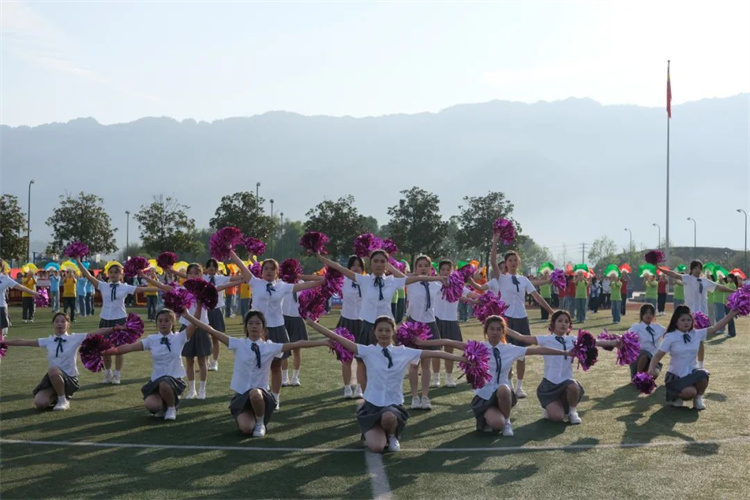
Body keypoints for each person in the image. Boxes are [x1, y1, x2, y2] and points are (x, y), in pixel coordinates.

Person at [306, 316, 467, 453]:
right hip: (372, 406)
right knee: (376, 447)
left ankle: (392, 435)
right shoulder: (367, 351)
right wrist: (312, 323)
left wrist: (463, 359)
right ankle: (373, 430)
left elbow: (437, 353)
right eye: (380, 330)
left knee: (388, 417)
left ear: (393, 332)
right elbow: (337, 337)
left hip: (393, 405)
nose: (384, 333)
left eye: (387, 330)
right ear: (374, 332)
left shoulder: (403, 352)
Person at [183, 309, 330, 437]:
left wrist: (324, 342)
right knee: (246, 429)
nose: (254, 326)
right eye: (251, 323)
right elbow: (211, 330)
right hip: (242, 395)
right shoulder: (238, 344)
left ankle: (260, 423)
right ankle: (250, 416)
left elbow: (298, 344)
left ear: (263, 328)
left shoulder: (270, 347)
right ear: (246, 327)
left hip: (260, 395)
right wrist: (187, 316)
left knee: (255, 393)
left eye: (258, 323)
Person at [416, 315, 569, 436]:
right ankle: (489, 418)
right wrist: (422, 343)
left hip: (504, 394)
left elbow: (538, 350)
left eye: (498, 329)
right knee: (497, 424)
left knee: (503, 389)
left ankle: (507, 421)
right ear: (486, 331)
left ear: (503, 332)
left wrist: (565, 353)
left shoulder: (510, 349)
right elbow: (448, 342)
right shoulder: (478, 347)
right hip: (485, 396)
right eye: (492, 329)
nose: (495, 332)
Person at [233, 252, 324, 409]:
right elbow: (240, 264)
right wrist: (229, 250)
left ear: (277, 272)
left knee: (276, 366)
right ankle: (252, 395)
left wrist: (322, 279)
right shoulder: (255, 282)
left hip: (277, 328)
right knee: (255, 365)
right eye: (266, 268)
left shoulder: (283, 286)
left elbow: (312, 283)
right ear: (261, 272)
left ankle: (275, 398)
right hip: (257, 330)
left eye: (272, 269)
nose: (269, 271)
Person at [316, 250, 407, 394]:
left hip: (386, 327)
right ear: (370, 264)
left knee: (385, 361)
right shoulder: (364, 280)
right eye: (375, 261)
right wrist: (320, 256)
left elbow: (406, 279)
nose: (379, 264)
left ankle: (383, 392)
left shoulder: (391, 281)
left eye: (382, 261)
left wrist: (391, 268)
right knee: (361, 360)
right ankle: (361, 390)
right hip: (366, 324)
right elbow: (339, 267)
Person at [505, 310, 620, 424]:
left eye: (566, 322)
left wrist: (615, 342)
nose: (563, 324)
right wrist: (503, 326)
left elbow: (595, 342)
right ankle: (552, 407)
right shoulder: (546, 339)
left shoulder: (572, 340)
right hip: (549, 385)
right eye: (560, 321)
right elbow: (521, 337)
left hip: (567, 383)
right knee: (557, 417)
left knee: (574, 386)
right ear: (553, 324)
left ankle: (572, 412)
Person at [1, 312, 124, 410]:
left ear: (68, 324)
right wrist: (4, 342)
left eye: (63, 321)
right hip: (53, 377)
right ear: (53, 324)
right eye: (57, 321)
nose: (60, 324)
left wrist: (114, 328)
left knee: (53, 369)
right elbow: (23, 342)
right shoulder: (48, 340)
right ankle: (58, 395)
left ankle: (63, 400)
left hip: (69, 378)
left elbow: (96, 332)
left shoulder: (74, 338)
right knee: (40, 403)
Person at [482, 235, 554, 399]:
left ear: (518, 262)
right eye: (510, 260)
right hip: (506, 319)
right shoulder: (501, 278)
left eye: (515, 260)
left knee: (521, 354)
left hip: (522, 318)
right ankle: (508, 384)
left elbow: (537, 297)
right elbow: (493, 261)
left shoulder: (524, 280)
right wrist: (495, 240)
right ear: (506, 263)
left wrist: (552, 312)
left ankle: (519, 387)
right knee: (506, 353)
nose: (513, 262)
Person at [101, 308, 197, 420]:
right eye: (160, 321)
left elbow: (195, 324)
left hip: (174, 380)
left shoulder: (179, 337)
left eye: (166, 321)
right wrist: (106, 351)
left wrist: (191, 312)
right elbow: (130, 347)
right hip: (156, 380)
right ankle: (165, 403)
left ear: (172, 322)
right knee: (152, 405)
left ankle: (172, 408)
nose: (163, 323)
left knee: (164, 383)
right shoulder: (152, 339)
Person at [76, 258, 160, 385]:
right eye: (111, 272)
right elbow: (88, 275)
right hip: (105, 320)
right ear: (108, 274)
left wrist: (163, 288)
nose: (113, 274)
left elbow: (143, 289)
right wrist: (78, 261)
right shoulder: (103, 286)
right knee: (104, 349)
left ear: (121, 274)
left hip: (120, 320)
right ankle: (107, 372)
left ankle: (117, 374)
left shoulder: (125, 287)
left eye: (116, 272)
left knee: (119, 350)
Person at [648, 305, 739, 410]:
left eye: (689, 320)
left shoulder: (696, 334)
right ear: (676, 322)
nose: (686, 322)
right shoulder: (670, 336)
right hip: (675, 376)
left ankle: (698, 399)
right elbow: (657, 356)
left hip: (691, 373)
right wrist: (651, 369)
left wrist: (730, 315)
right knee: (690, 392)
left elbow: (715, 328)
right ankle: (675, 396)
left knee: (703, 375)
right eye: (683, 320)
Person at [403, 255, 450, 410]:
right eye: (420, 265)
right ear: (415, 268)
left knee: (426, 364)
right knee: (414, 364)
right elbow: (397, 274)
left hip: (429, 324)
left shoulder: (436, 284)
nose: (423, 268)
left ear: (431, 268)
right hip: (413, 324)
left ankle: (425, 396)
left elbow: (455, 289)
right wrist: (413, 275)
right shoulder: (411, 282)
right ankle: (414, 397)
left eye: (426, 266)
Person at [434, 259, 478, 388]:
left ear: (452, 271)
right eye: (443, 269)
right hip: (436, 319)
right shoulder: (435, 283)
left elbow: (470, 294)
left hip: (451, 319)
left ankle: (449, 377)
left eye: (448, 269)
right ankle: (436, 377)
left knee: (449, 350)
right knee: (436, 351)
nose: (445, 272)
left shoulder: (458, 284)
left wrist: (485, 297)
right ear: (439, 271)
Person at [280, 272, 325, 388]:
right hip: (283, 319)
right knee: (283, 350)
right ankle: (284, 377)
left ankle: (295, 377)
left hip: (297, 319)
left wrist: (301, 277)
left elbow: (321, 279)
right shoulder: (281, 283)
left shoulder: (302, 284)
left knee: (297, 350)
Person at [658, 261, 735, 315]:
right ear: (691, 269)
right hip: (690, 313)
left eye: (699, 268)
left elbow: (719, 287)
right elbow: (673, 274)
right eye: (695, 268)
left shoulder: (705, 281)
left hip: (703, 313)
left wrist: (734, 291)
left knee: (702, 333)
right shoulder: (687, 278)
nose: (698, 270)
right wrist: (660, 268)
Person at [337, 255, 365, 399]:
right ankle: (347, 387)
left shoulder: (367, 281)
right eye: (353, 265)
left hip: (362, 322)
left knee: (361, 359)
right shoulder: (343, 280)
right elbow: (322, 280)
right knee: (346, 359)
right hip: (346, 321)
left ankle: (359, 387)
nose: (356, 268)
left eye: (359, 265)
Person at [1, 261, 41, 336]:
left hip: (1, 306)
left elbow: (20, 287)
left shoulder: (5, 278)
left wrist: (34, 293)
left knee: (2, 332)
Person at [628, 303, 666, 378]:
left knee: (654, 374)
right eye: (646, 313)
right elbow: (627, 336)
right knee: (644, 356)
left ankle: (646, 376)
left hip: (653, 359)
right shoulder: (636, 327)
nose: (648, 315)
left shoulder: (658, 327)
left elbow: (670, 334)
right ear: (641, 314)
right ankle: (637, 377)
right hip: (639, 358)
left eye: (650, 313)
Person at [724, 273, 739, 338]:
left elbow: (725, 289)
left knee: (730, 318)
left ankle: (732, 333)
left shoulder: (732, 285)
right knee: (729, 318)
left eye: (729, 278)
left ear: (732, 279)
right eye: (727, 278)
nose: (727, 279)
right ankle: (730, 332)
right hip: (727, 303)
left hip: (729, 304)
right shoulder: (729, 284)